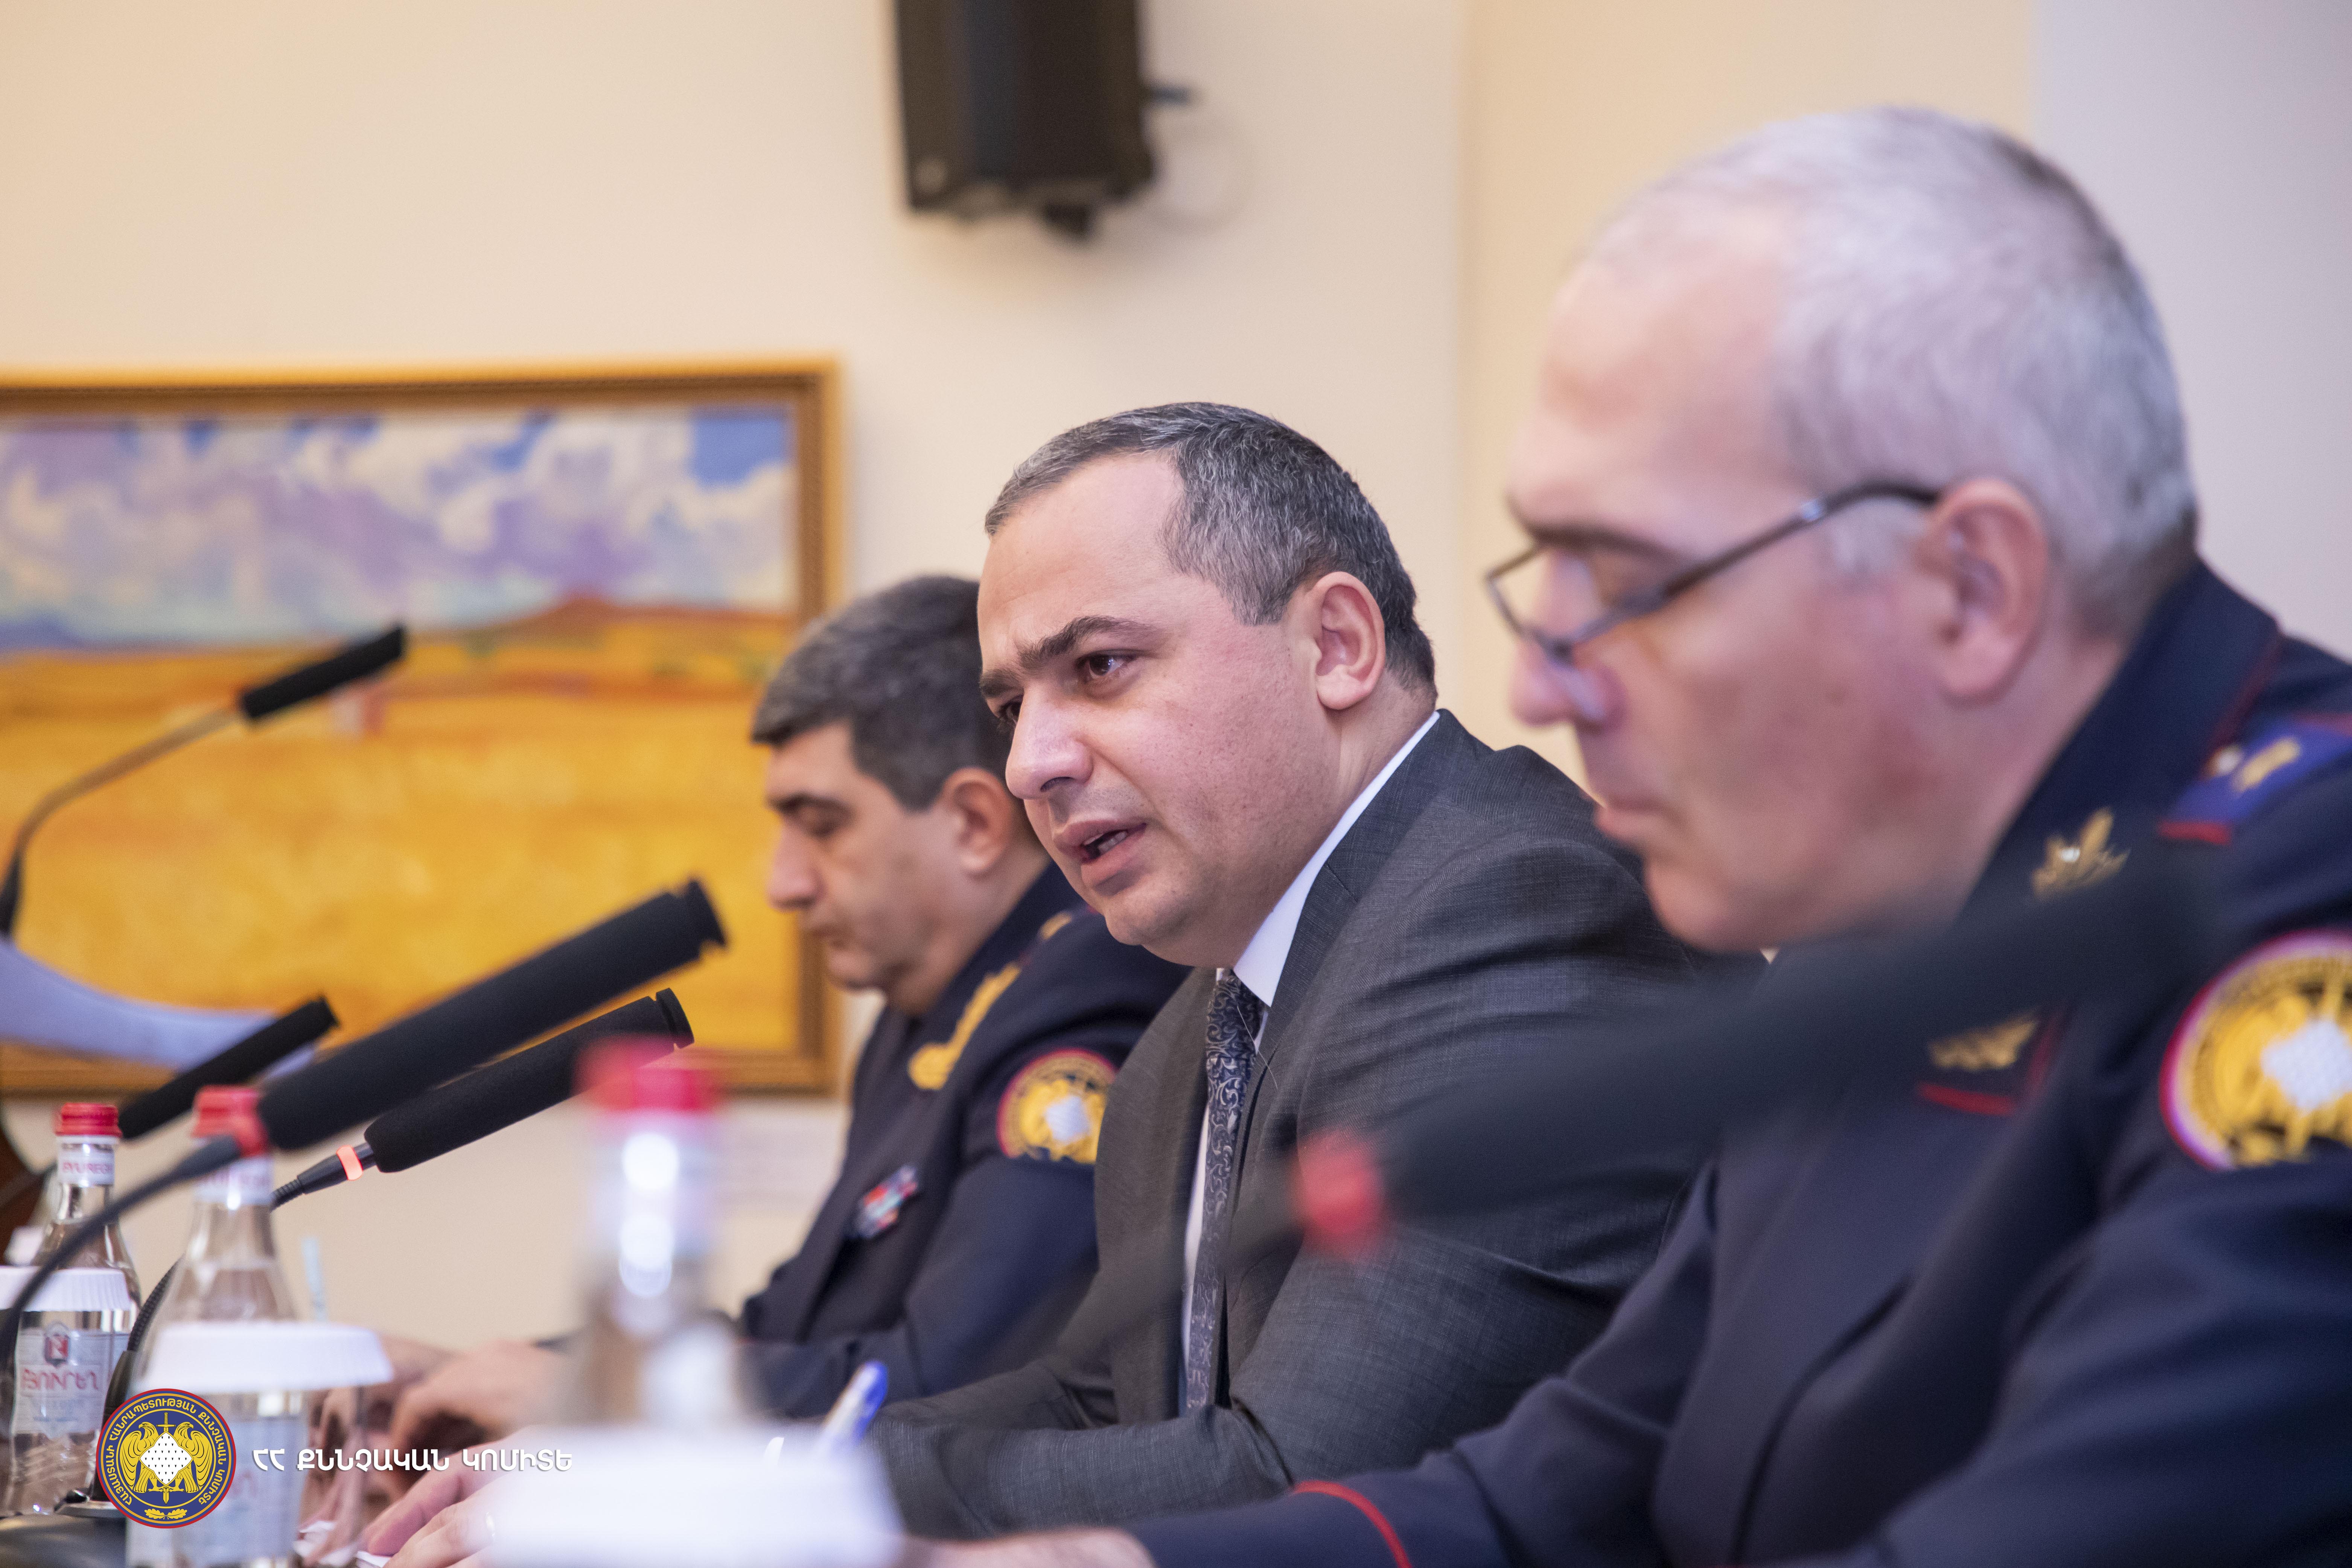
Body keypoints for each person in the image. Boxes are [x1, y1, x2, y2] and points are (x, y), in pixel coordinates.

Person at [933, 107, 2352, 1568]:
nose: (1540, 683)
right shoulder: (1870, 928)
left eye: (1630, 581)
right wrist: (1111, 1562)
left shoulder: (2298, 900)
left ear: (1969, 589)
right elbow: (1561, 1487)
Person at [380, 575, 1186, 1454]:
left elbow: (952, 1380)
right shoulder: (925, 1014)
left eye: (822, 825)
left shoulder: (1078, 998)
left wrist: (589, 1396)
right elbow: (793, 1325)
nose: (783, 883)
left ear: (972, 823)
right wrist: (481, 1377)